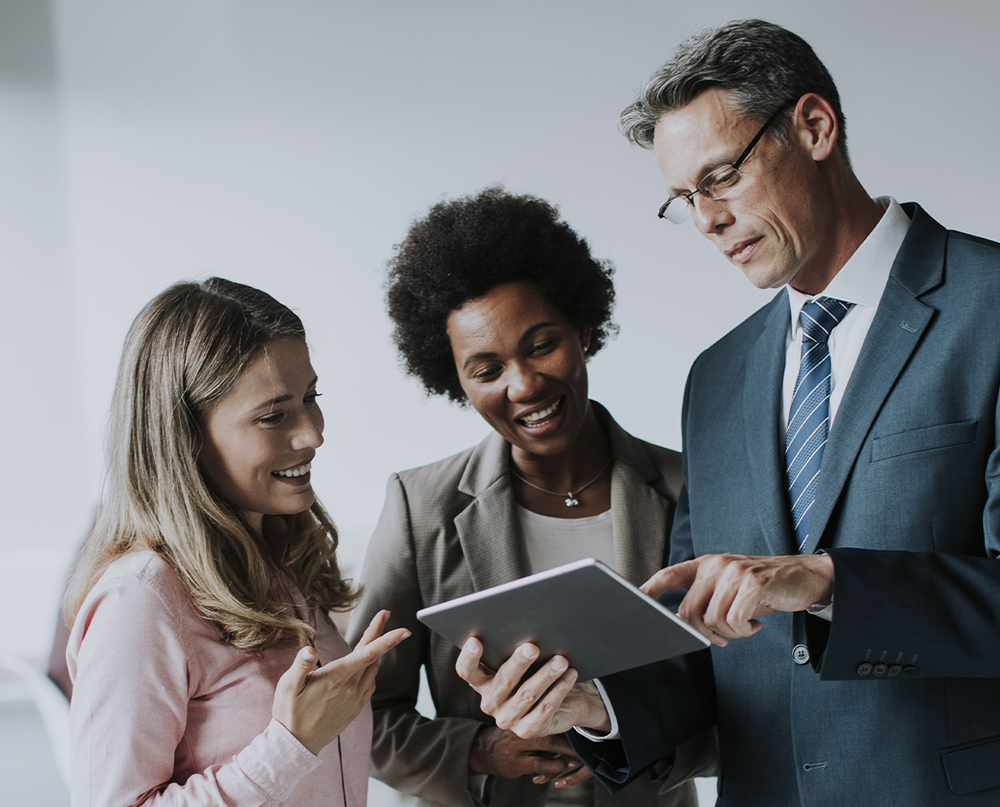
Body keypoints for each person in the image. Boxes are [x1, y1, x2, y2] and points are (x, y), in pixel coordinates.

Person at [455, 19, 1000, 806]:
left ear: (814, 127)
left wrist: (824, 582)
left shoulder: (989, 308)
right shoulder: (718, 377)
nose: (706, 220)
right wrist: (593, 707)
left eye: (721, 178)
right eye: (684, 198)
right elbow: (701, 639)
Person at [347, 187, 715, 807]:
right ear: (455, 379)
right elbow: (361, 715)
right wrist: (477, 751)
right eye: (486, 370)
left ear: (583, 326)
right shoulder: (420, 508)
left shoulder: (692, 490)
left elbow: (744, 699)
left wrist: (617, 734)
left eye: (542, 344)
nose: (524, 385)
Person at [63, 278, 410, 807]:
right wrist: (290, 745)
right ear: (186, 436)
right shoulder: (139, 600)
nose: (313, 434)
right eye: (274, 416)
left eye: (310, 398)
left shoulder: (286, 556)